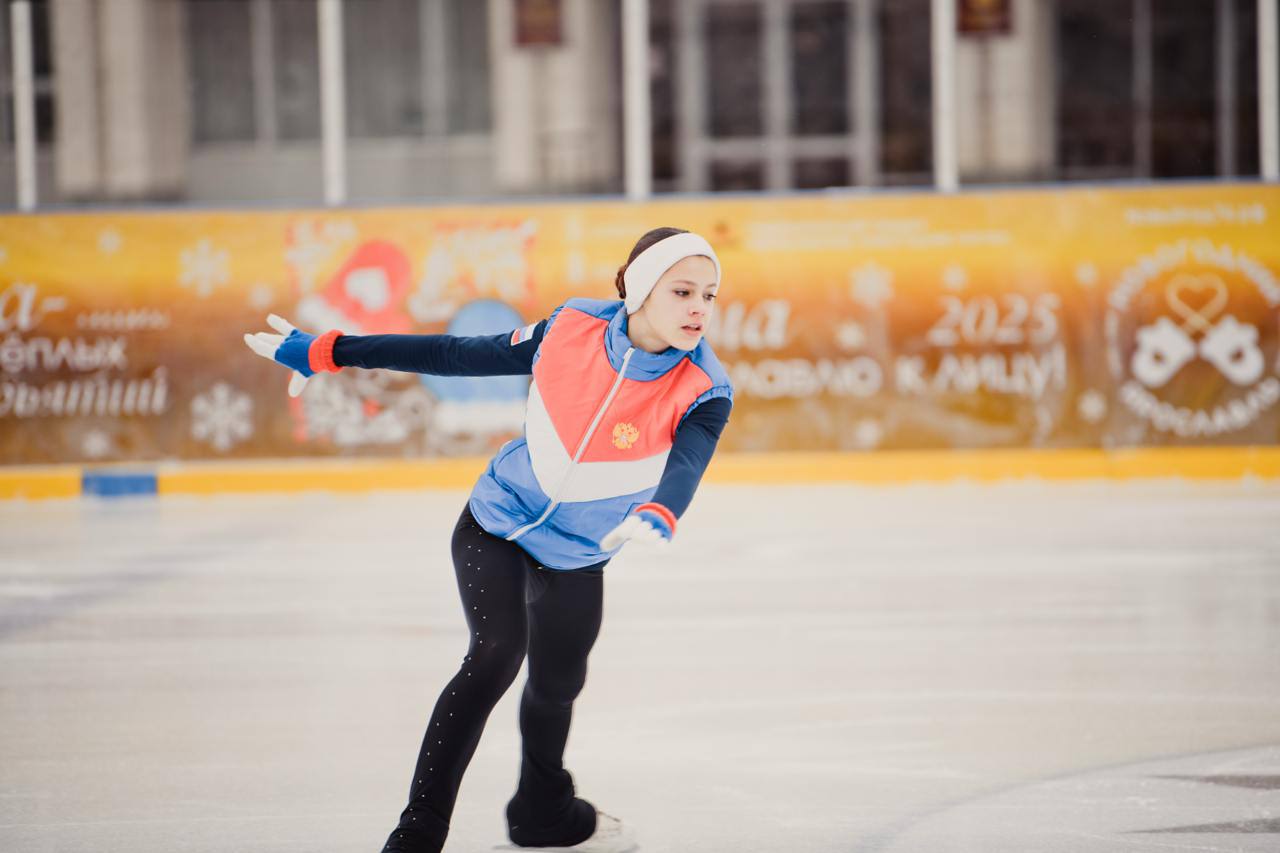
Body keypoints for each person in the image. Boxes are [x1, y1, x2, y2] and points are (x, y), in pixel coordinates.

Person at [245, 227, 733, 852]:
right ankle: (416, 836)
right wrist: (330, 350)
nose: (699, 308)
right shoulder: (571, 328)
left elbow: (687, 462)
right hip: (497, 523)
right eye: (683, 291)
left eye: (710, 295)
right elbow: (453, 353)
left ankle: (542, 812)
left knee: (558, 686)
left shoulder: (704, 387)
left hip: (580, 557)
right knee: (497, 651)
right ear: (640, 288)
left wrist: (665, 510)